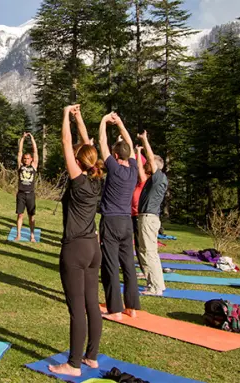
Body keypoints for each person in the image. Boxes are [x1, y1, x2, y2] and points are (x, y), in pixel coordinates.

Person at [48, 104, 104, 377]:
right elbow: (85, 144)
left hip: (76, 249)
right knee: (92, 304)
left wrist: (65, 115)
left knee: (76, 309)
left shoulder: (79, 180)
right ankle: (91, 357)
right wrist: (79, 118)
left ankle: (73, 364)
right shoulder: (96, 177)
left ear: (79, 162)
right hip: (94, 248)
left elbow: (67, 142)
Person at [98, 112, 140, 320]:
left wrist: (104, 122)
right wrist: (121, 123)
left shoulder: (113, 168)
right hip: (126, 222)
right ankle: (131, 308)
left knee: (111, 265)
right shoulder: (133, 169)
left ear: (115, 156)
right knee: (128, 265)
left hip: (111, 221)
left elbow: (101, 141)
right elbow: (130, 143)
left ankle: (115, 310)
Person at [136, 131, 169, 295]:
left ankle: (155, 288)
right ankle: (158, 284)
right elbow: (142, 167)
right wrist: (137, 152)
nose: (147, 164)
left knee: (148, 253)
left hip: (148, 218)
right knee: (150, 253)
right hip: (149, 217)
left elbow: (150, 158)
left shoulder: (158, 177)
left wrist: (144, 140)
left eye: (150, 163)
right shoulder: (155, 179)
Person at [14, 132, 39, 242]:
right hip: (21, 194)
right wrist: (23, 138)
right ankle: (18, 235)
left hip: (30, 194)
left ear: (31, 159)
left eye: (28, 158)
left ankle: (32, 236)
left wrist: (32, 138)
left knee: (31, 216)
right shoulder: (20, 166)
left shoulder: (34, 166)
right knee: (20, 215)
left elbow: (35, 151)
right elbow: (19, 152)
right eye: (24, 158)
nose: (26, 160)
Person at [131, 146, 149, 278]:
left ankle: (145, 270)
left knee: (140, 245)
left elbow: (139, 166)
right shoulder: (135, 182)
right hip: (131, 215)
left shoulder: (144, 181)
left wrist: (138, 152)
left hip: (139, 216)